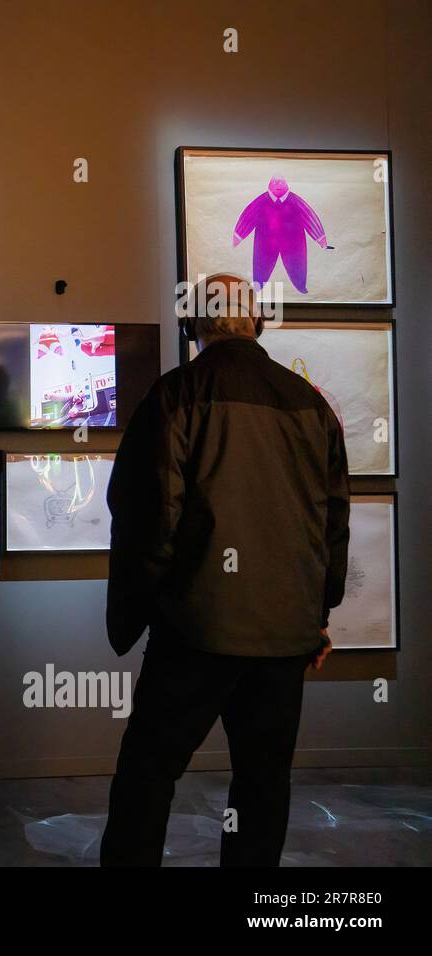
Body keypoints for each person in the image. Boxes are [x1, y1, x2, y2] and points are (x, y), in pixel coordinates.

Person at [100, 273, 349, 868]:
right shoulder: (309, 404)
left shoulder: (175, 395)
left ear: (195, 325)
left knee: (148, 775)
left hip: (197, 630)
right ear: (257, 321)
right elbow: (332, 520)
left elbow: (147, 515)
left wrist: (144, 609)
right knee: (263, 785)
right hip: (284, 637)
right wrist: (316, 616)